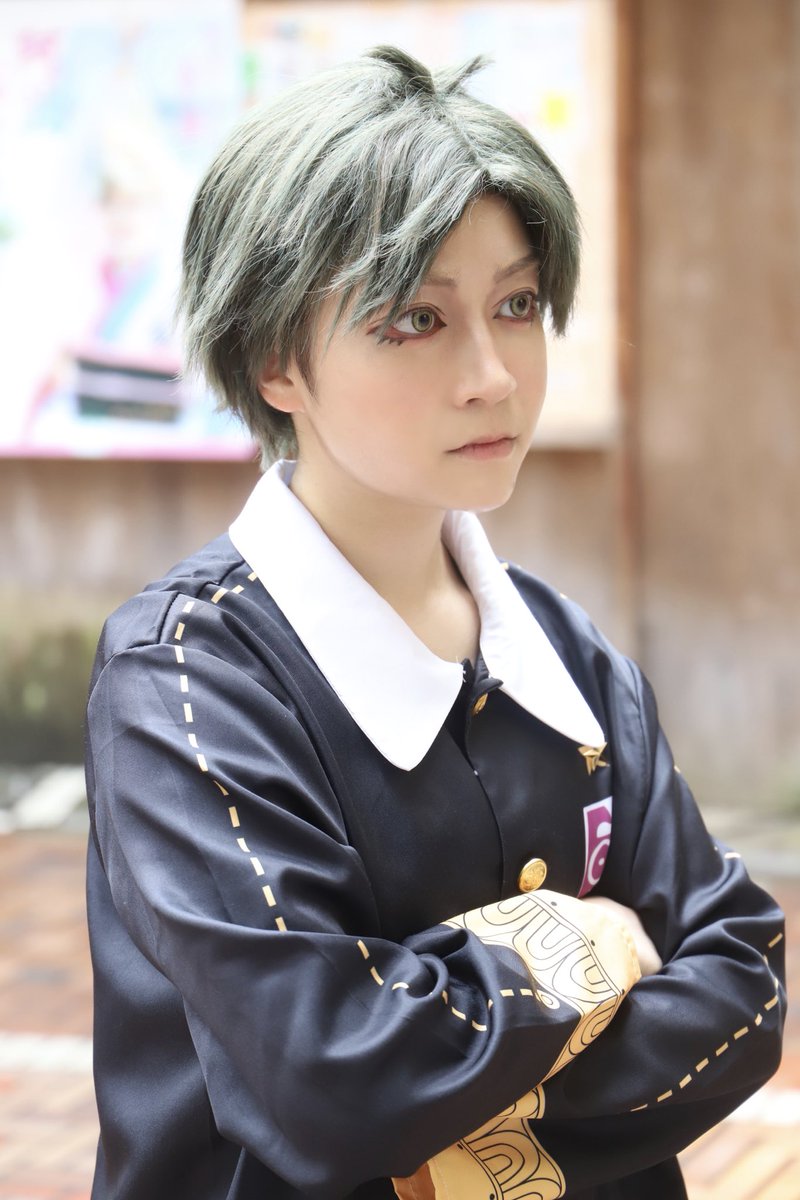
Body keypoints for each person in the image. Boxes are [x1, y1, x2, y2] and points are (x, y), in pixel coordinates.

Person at [84, 46, 785, 1200]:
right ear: (275, 361)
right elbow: (331, 1079)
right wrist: (585, 946)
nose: (492, 375)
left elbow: (740, 983)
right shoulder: (185, 686)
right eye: (416, 318)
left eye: (516, 305)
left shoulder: (559, 648)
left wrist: (439, 1055)